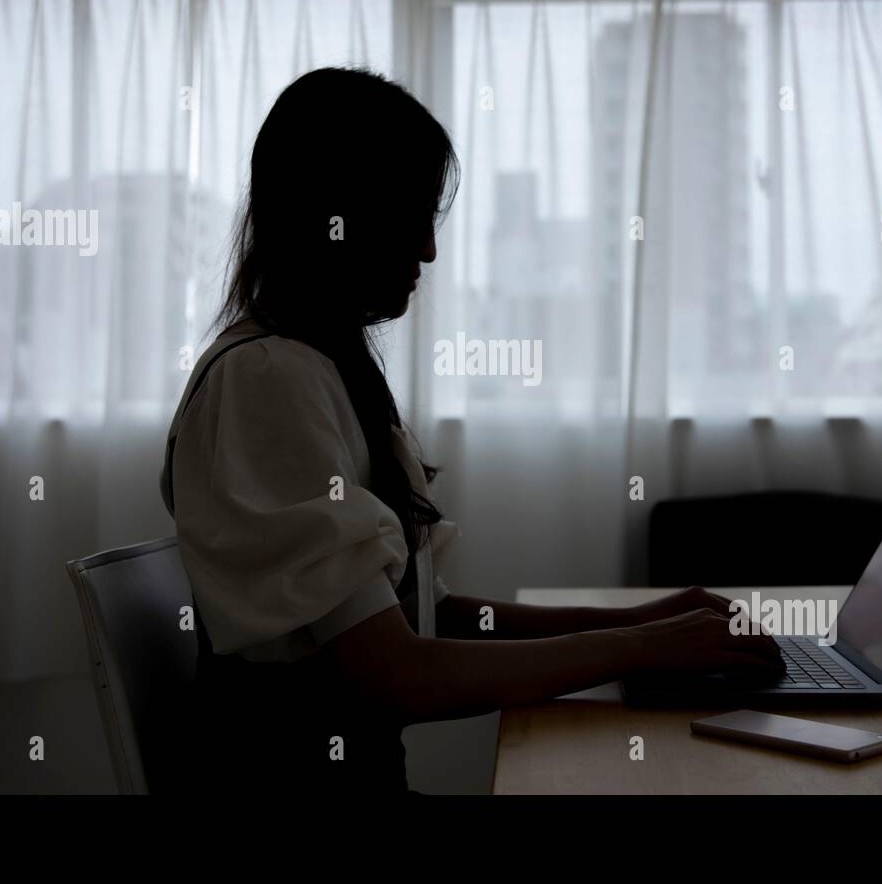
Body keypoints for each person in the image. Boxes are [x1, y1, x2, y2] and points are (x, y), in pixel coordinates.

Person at [160, 67, 783, 794]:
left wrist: (651, 622)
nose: (427, 249)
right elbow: (399, 675)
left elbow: (431, 617)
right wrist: (642, 647)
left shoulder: (314, 365)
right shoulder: (267, 379)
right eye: (410, 214)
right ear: (340, 215)